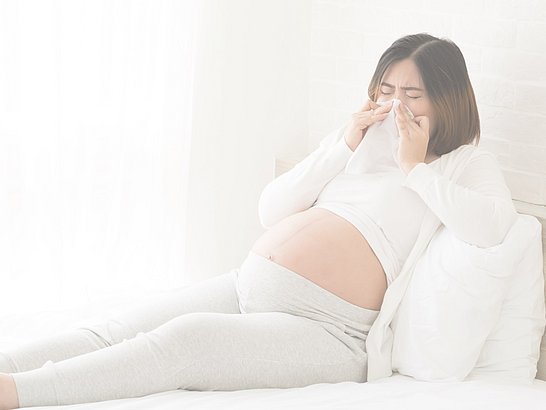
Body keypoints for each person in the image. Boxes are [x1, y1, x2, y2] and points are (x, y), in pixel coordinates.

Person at [0, 33, 517, 409]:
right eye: (385, 90)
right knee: (117, 327)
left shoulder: (465, 165)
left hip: (329, 331)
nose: (394, 106)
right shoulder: (359, 144)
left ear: (446, 99)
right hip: (249, 284)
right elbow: (271, 209)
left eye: (412, 94)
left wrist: (414, 167)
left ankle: (18, 394)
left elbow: (492, 228)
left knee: (186, 342)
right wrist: (342, 144)